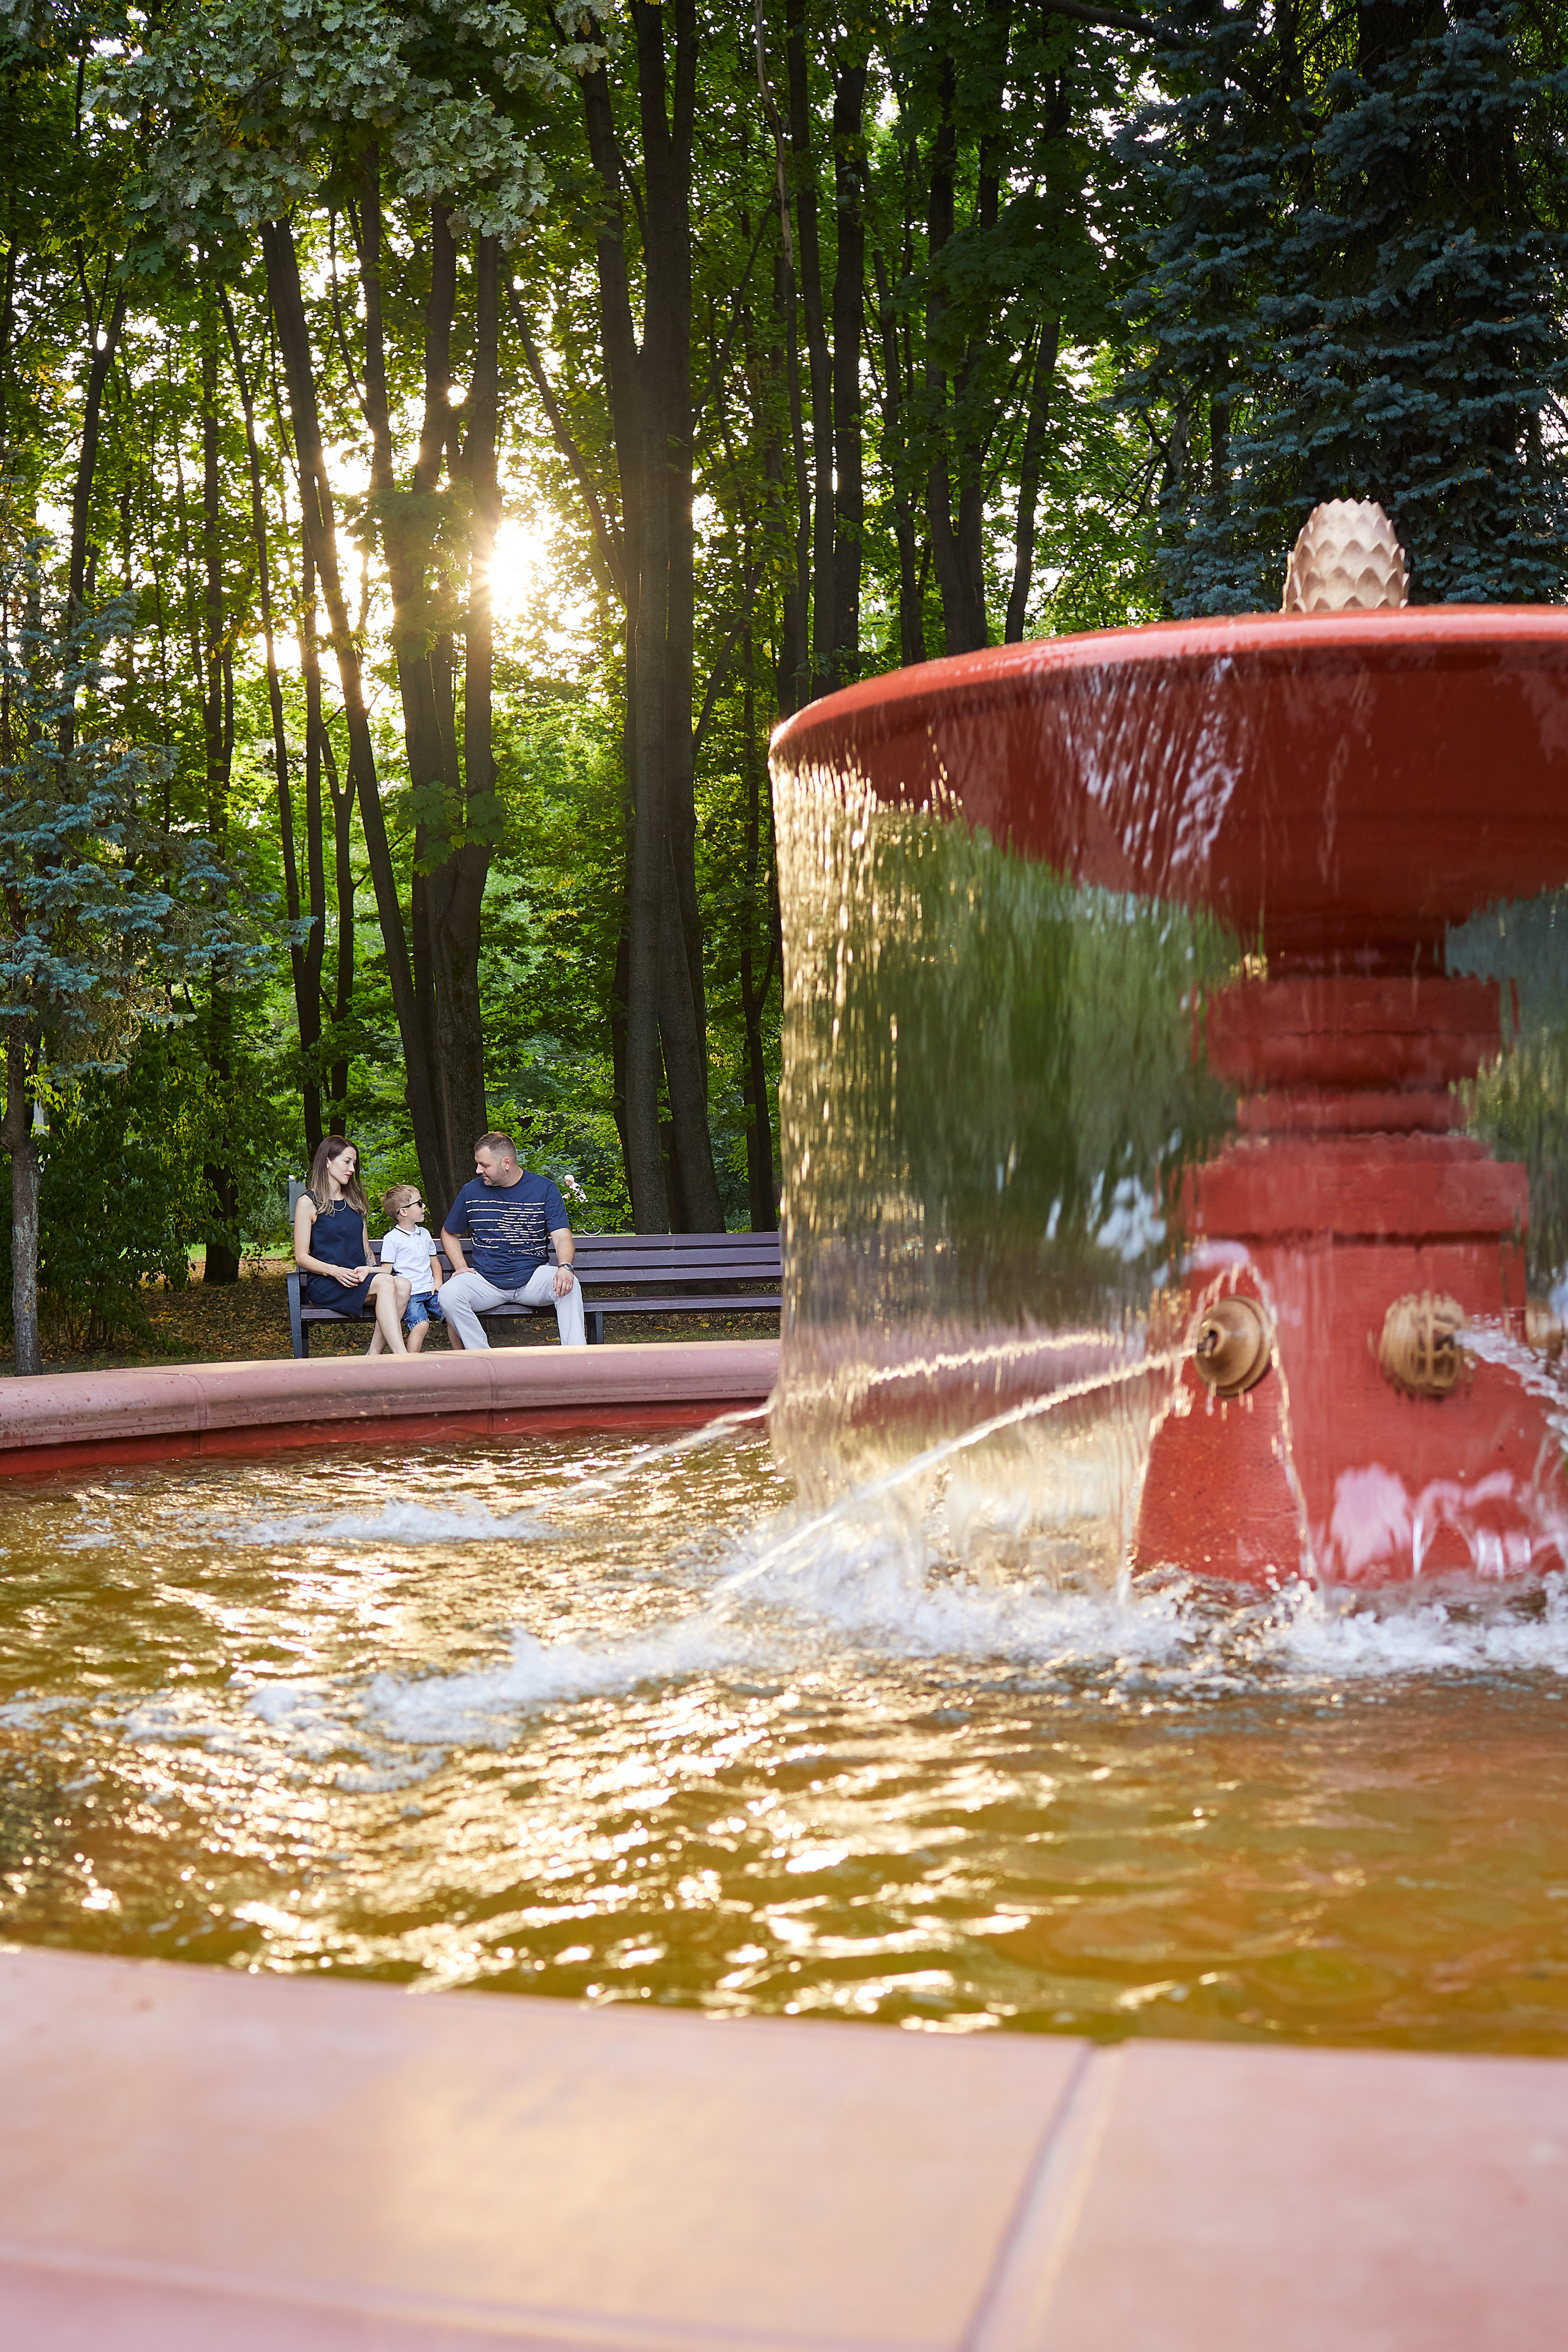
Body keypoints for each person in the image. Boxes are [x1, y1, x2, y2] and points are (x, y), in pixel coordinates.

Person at [439, 1131, 587, 1349]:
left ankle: (576, 1358)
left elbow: (562, 1235)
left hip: (532, 1279)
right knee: (449, 1294)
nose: (478, 1170)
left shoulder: (544, 1189)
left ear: (506, 1163)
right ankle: (484, 1358)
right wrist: (460, 1266)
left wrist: (565, 1266)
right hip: (486, 1281)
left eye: (484, 1165)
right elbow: (450, 1233)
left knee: (569, 1286)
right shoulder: (471, 1191)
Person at [293, 1136, 410, 1355]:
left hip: (357, 1279)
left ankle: (372, 1357)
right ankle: (402, 1357)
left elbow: (366, 1250)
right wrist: (335, 1271)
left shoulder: (355, 1200)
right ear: (328, 1161)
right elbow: (301, 1257)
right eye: (347, 1162)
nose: (352, 1169)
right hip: (327, 1282)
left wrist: (373, 1271)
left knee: (402, 1285)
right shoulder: (308, 1203)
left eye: (354, 1164)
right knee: (387, 1284)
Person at [379, 1184, 453, 1355]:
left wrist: (439, 1282)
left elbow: (434, 1262)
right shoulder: (392, 1239)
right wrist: (367, 1271)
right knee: (422, 1325)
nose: (424, 1206)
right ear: (403, 1212)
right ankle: (409, 1363)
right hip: (411, 1295)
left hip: (431, 1290)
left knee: (454, 1317)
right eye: (419, 1203)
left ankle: (462, 1356)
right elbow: (386, 1269)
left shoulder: (425, 1234)